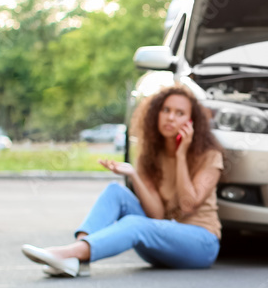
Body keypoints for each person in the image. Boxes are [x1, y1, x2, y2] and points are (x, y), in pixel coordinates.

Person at [21, 85, 225, 277]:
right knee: (115, 191)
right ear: (156, 114)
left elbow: (188, 206)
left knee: (136, 224)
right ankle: (78, 261)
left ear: (192, 122)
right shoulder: (151, 156)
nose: (170, 117)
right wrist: (134, 175)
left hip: (200, 245)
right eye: (165, 110)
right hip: (160, 243)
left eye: (180, 113)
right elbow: (157, 215)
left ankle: (68, 253)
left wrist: (181, 156)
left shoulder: (209, 156)